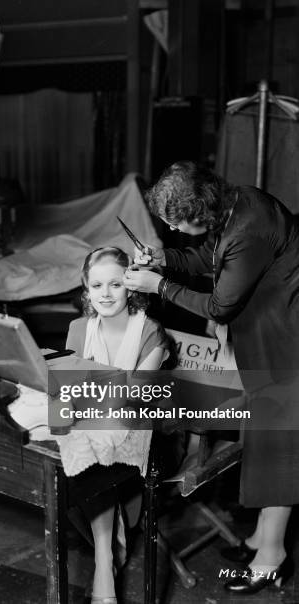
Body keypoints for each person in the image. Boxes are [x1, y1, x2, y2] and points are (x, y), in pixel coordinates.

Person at [123, 160, 299, 595]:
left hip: (288, 345)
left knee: (279, 446)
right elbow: (207, 256)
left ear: (200, 210)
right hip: (268, 339)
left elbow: (220, 306)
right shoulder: (233, 204)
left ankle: (272, 557)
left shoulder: (248, 230)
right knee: (264, 438)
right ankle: (262, 537)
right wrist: (165, 259)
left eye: (176, 224)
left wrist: (158, 286)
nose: (176, 231)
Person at [58, 246, 169, 604]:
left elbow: (136, 395)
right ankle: (106, 553)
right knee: (69, 446)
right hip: (97, 430)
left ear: (131, 287)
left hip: (149, 434)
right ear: (86, 290)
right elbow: (68, 391)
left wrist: (83, 391)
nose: (105, 294)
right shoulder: (78, 328)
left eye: (116, 285)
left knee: (91, 448)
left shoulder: (150, 330)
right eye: (96, 285)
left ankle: (104, 562)